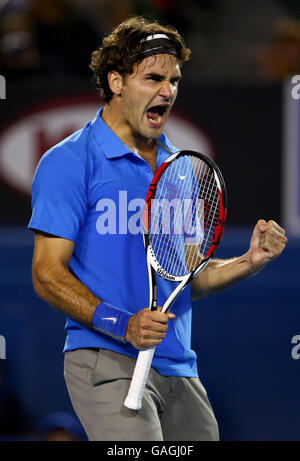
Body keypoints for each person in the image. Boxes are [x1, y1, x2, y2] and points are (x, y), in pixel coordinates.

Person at [28, 15, 287, 441]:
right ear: (116, 82)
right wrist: (121, 323)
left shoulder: (180, 168)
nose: (167, 91)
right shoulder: (68, 161)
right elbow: (45, 273)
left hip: (177, 365)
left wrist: (248, 261)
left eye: (174, 80)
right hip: (105, 357)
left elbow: (184, 277)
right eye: (153, 78)